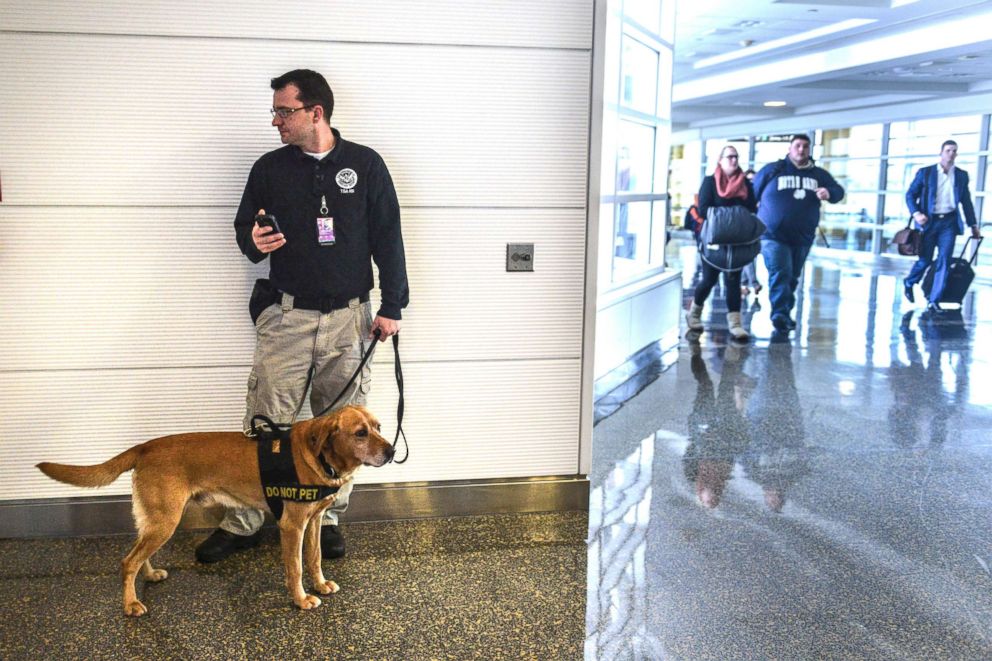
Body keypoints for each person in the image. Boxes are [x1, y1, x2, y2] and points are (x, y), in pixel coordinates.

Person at [195, 69, 409, 564]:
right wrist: (253, 239)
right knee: (268, 423)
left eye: (283, 111)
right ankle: (247, 519)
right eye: (275, 111)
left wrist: (392, 304)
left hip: (350, 319)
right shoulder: (269, 168)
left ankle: (326, 517)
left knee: (345, 425)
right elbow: (245, 227)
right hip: (287, 318)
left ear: (316, 112)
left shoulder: (365, 165)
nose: (275, 121)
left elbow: (388, 237)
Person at [752, 134, 844, 333]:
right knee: (781, 272)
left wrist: (829, 193)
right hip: (772, 234)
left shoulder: (818, 174)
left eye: (805, 146)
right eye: (797, 146)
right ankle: (779, 315)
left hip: (803, 236)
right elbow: (752, 194)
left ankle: (784, 311)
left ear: (809, 150)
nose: (801, 150)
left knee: (792, 276)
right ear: (790, 148)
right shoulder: (773, 170)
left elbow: (838, 192)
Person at [686, 145, 757, 340]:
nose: (734, 160)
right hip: (714, 240)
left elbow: (752, 207)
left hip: (736, 241)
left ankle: (735, 324)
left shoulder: (745, 184)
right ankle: (694, 315)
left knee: (733, 280)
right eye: (730, 157)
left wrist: (729, 215)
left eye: (736, 157)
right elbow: (703, 209)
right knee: (709, 279)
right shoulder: (710, 182)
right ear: (720, 160)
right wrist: (733, 214)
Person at [902, 140, 982, 314]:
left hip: (949, 223)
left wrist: (973, 225)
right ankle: (909, 282)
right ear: (941, 153)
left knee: (944, 261)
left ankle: (934, 300)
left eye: (954, 151)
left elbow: (966, 202)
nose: (951, 154)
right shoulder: (926, 173)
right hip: (929, 222)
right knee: (925, 260)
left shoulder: (961, 175)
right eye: (948, 150)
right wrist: (916, 213)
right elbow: (910, 195)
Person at [739, 169, 763, 298]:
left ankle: (743, 284)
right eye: (749, 180)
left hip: (755, 229)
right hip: (743, 229)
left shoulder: (760, 195)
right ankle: (754, 283)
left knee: (747, 256)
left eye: (754, 180)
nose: (752, 183)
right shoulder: (741, 195)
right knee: (749, 256)